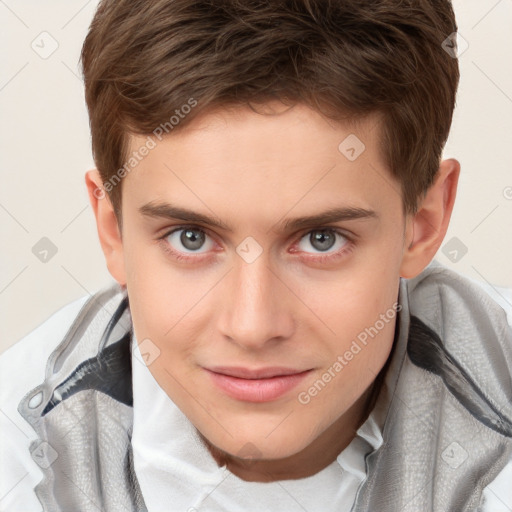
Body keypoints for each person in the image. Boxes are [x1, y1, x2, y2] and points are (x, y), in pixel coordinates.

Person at [1, 0, 511, 510]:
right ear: (111, 229)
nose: (252, 326)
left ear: (422, 224)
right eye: (190, 237)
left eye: (321, 240)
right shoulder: (15, 454)